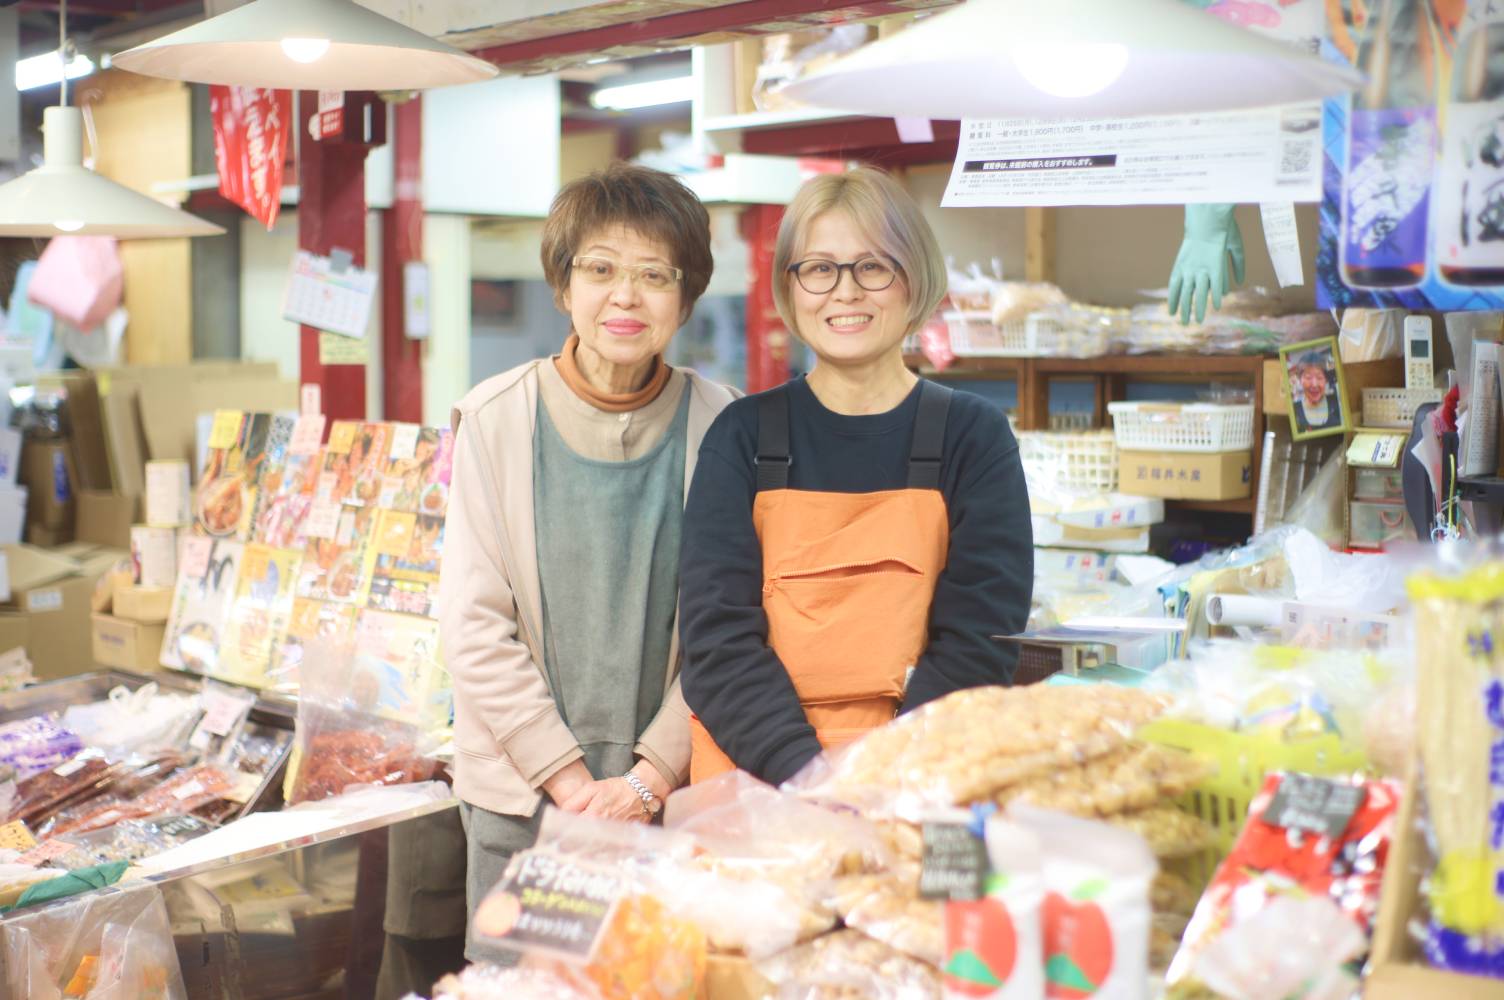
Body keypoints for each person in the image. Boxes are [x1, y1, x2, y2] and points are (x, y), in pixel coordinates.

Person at [437, 162, 738, 963]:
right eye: (600, 270)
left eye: (653, 275)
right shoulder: (497, 419)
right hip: (526, 798)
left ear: (685, 295)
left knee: (661, 978)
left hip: (670, 796)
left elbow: (734, 626)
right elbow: (473, 626)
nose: (625, 298)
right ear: (564, 285)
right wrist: (574, 789)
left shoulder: (725, 427)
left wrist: (646, 781)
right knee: (525, 986)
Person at [678, 167, 1034, 786]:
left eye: (873, 266)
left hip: (918, 776)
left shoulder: (973, 436)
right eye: (818, 268)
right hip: (757, 781)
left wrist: (883, 775)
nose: (844, 292)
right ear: (790, 289)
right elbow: (716, 646)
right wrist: (811, 776)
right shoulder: (742, 436)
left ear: (913, 279)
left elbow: (982, 636)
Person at [1291, 355, 1343, 433]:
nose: (1314, 384)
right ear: (1299, 380)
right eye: (1308, 377)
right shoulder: (1294, 411)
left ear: (1326, 380)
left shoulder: (1338, 404)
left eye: (1319, 377)